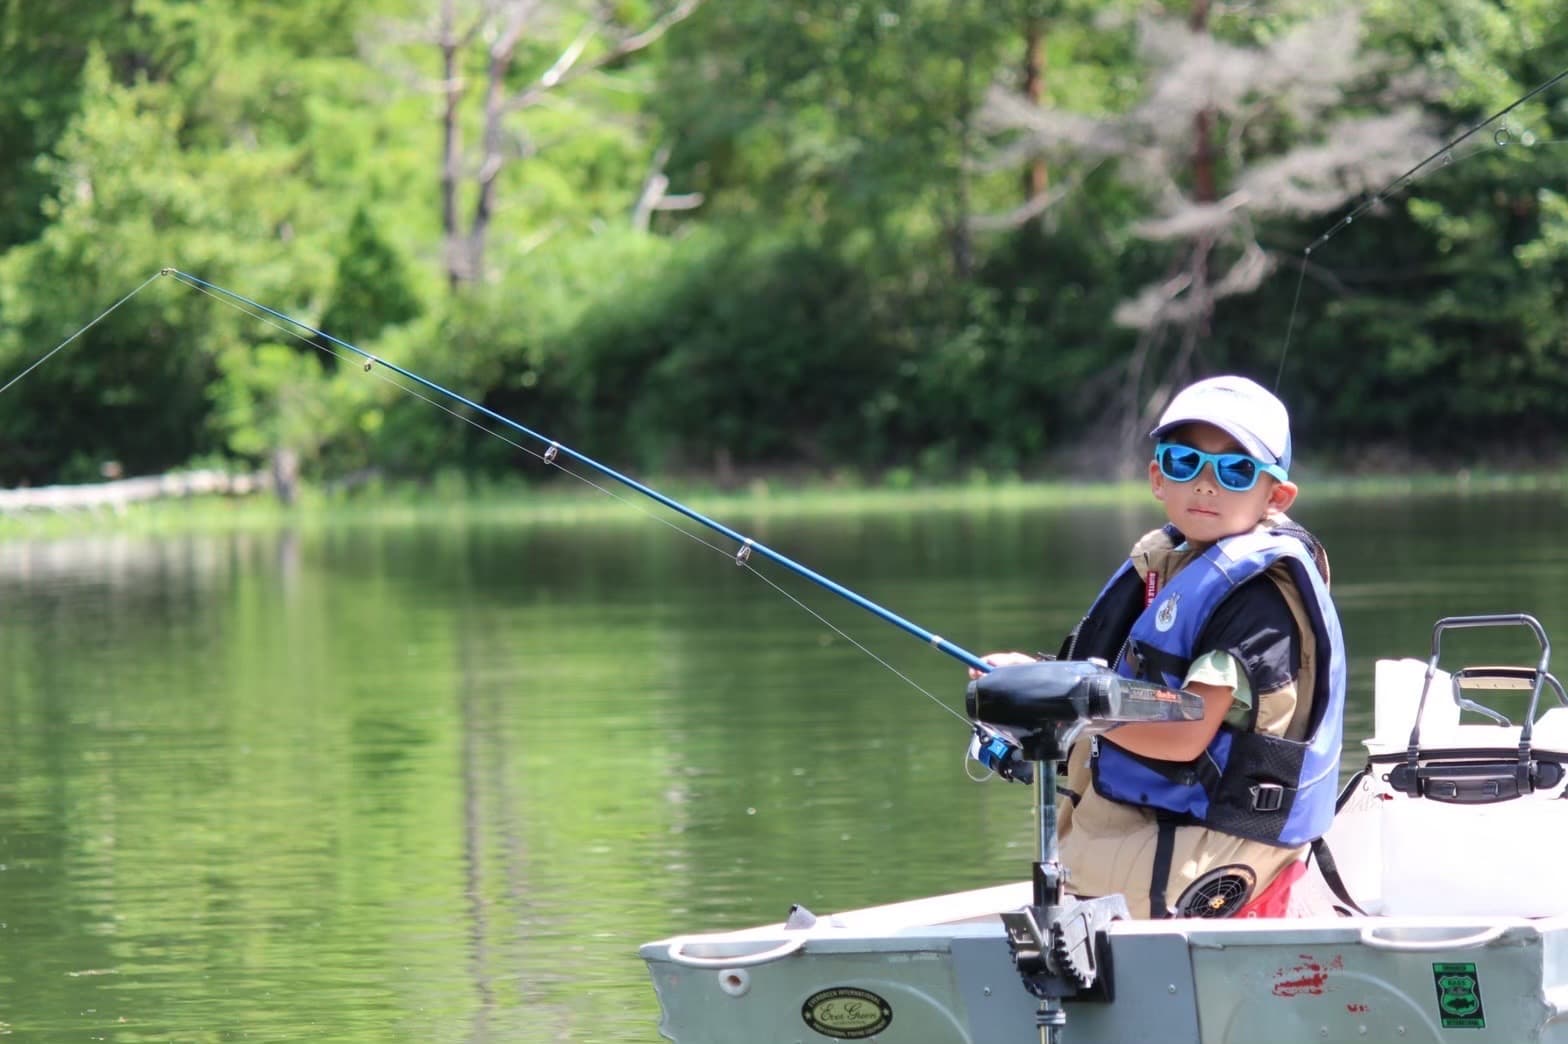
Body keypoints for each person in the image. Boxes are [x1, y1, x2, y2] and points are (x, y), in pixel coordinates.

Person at [976, 375, 1345, 919]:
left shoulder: (1258, 603)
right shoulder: (1173, 564)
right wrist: (1031, 678)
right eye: (1184, 463)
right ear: (1157, 477)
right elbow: (1123, 679)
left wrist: (1067, 711)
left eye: (1236, 470)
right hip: (1130, 837)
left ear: (1277, 496)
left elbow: (1185, 734)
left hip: (1203, 859)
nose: (1205, 484)